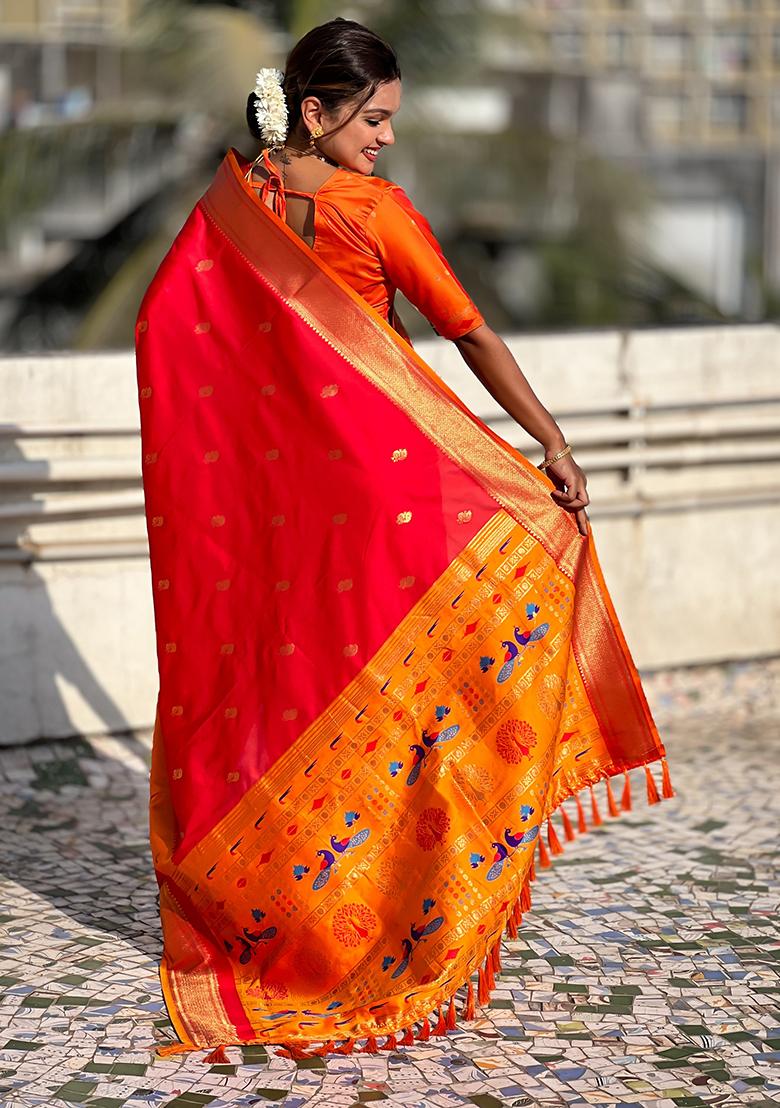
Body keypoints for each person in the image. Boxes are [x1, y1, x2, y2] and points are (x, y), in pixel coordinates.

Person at [136, 17, 672, 1065]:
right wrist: (549, 441)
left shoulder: (234, 208)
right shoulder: (370, 213)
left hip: (284, 523)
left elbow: (166, 323)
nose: (384, 139)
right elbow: (466, 328)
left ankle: (293, 923)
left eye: (390, 122)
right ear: (315, 112)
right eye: (372, 119)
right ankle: (396, 925)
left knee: (299, 702)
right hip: (394, 510)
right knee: (422, 702)